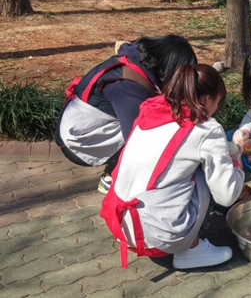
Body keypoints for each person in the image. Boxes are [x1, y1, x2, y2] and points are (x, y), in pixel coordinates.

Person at [100, 64, 245, 269]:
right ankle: (191, 250)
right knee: (206, 175)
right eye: (218, 101)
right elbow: (227, 196)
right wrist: (235, 160)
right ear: (206, 99)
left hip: (121, 224)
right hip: (159, 236)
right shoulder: (206, 129)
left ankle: (174, 238)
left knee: (185, 166)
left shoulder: (151, 109)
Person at [55, 34, 197, 194]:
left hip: (79, 123)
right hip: (78, 142)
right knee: (152, 133)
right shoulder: (127, 87)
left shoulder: (138, 59)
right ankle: (114, 177)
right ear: (170, 69)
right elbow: (139, 141)